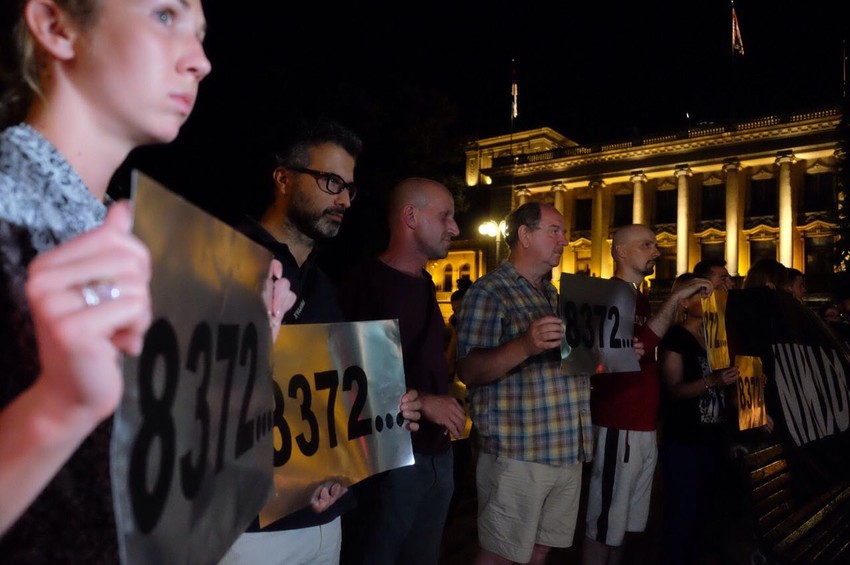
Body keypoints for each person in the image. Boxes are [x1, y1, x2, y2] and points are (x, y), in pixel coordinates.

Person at [0, 0, 212, 555]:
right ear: (56, 27)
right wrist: (57, 407)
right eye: (165, 16)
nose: (200, 60)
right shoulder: (9, 213)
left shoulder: (121, 234)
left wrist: (240, 335)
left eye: (200, 32)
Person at [219, 118, 422, 565]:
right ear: (283, 178)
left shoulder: (324, 286)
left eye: (349, 188)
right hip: (250, 531)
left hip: (327, 520)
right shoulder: (222, 262)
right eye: (331, 182)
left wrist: (385, 410)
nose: (344, 199)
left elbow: (327, 399)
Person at [338, 177, 467, 565]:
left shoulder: (425, 282)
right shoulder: (362, 283)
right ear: (410, 216)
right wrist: (424, 401)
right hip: (388, 466)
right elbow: (349, 378)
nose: (454, 228)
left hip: (436, 454)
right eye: (445, 216)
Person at [455, 201, 591, 565]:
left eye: (564, 232)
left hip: (566, 446)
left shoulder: (553, 294)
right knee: (501, 552)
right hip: (518, 451)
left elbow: (569, 364)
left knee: (540, 549)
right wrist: (525, 345)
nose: (565, 240)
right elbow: (469, 370)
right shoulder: (489, 292)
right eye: (555, 231)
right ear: (525, 235)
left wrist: (607, 356)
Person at [581, 224, 712, 565]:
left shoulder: (636, 297)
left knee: (622, 524)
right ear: (621, 251)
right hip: (618, 422)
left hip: (640, 424)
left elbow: (639, 348)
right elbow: (620, 353)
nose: (656, 251)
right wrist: (675, 299)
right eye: (646, 245)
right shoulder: (605, 293)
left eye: (655, 245)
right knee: (604, 524)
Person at [658, 273, 739, 565]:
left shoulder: (714, 338)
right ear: (683, 302)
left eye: (710, 293)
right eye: (701, 293)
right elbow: (674, 390)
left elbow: (724, 384)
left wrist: (741, 380)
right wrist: (712, 381)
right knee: (682, 514)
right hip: (684, 440)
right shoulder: (675, 338)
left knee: (707, 515)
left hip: (713, 439)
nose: (708, 298)